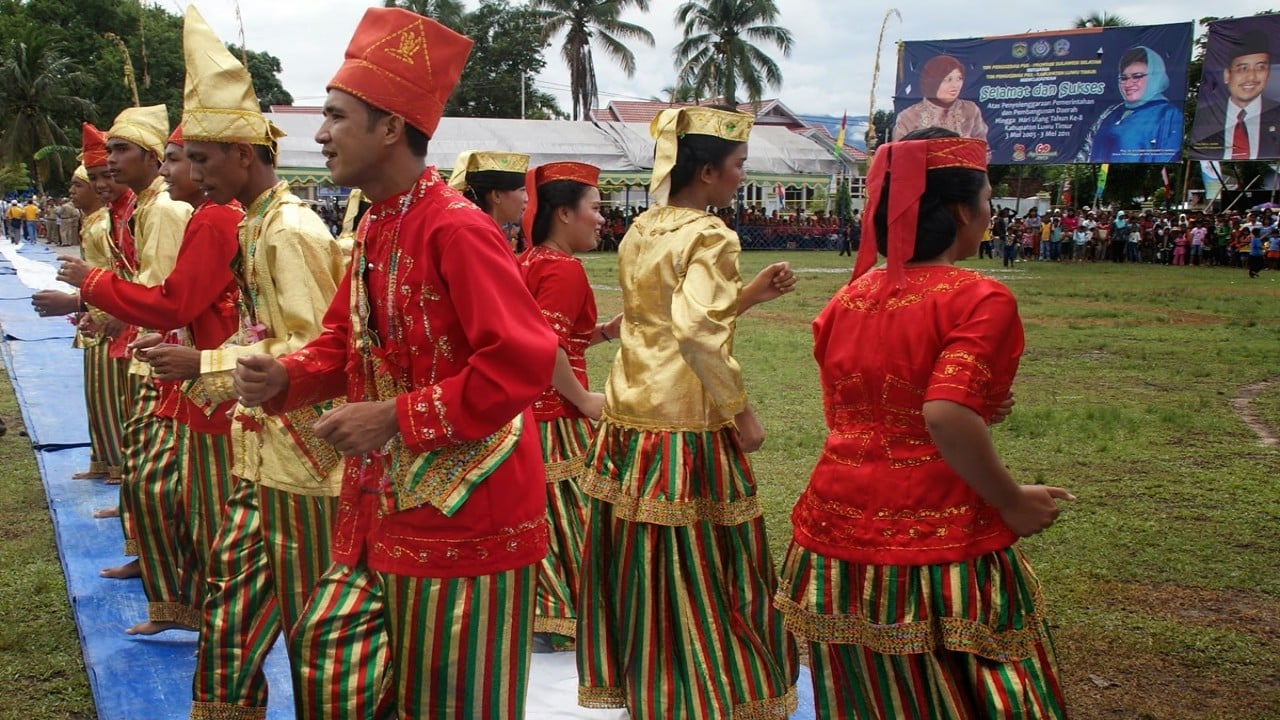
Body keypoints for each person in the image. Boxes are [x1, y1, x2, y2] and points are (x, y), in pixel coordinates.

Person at [233, 9, 559, 718]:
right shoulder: (377, 222)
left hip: (468, 509)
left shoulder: (456, 227)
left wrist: (395, 417)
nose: (318, 134)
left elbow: (524, 359)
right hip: (382, 502)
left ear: (389, 129)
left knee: (451, 701)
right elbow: (344, 342)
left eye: (335, 116)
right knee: (328, 650)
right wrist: (289, 377)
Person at [775, 127, 1071, 720]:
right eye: (987, 200)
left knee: (871, 693)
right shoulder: (979, 296)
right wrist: (1011, 499)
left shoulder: (848, 298)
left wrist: (972, 408)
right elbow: (943, 411)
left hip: (840, 523)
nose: (990, 214)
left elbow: (878, 400)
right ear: (962, 210)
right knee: (989, 687)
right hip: (940, 532)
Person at [575, 105, 799, 720]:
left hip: (628, 415)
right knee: (705, 565)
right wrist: (741, 412)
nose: (739, 178)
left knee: (639, 561)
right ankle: (702, 691)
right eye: (737, 167)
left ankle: (649, 684)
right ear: (706, 171)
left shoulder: (642, 228)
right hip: (684, 425)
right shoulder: (709, 234)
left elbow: (666, 322)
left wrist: (748, 295)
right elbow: (698, 335)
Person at [172, 8, 347, 718]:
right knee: (227, 617)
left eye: (202, 159)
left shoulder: (290, 230)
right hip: (262, 456)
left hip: (308, 468)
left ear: (245, 155)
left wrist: (205, 365)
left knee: (315, 634)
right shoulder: (256, 224)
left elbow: (314, 356)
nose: (190, 174)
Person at [57, 123, 244, 641]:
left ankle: (211, 614)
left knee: (190, 498)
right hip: (193, 368)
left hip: (213, 381)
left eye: (186, 159)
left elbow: (172, 298)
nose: (169, 171)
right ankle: (186, 604)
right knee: (167, 488)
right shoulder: (197, 214)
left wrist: (90, 290)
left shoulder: (198, 216)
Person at [517, 161, 619, 652]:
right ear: (563, 212)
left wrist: (602, 333)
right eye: (595, 209)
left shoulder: (529, 261)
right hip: (558, 418)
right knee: (575, 517)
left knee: (543, 515)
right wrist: (584, 399)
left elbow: (558, 341)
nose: (603, 219)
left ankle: (539, 617)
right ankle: (565, 620)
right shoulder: (564, 268)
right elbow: (547, 347)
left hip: (524, 414)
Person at [1080, 47, 1183, 163]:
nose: (1128, 84)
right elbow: (1085, 151)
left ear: (1155, 77)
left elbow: (1168, 157)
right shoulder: (1110, 112)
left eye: (1137, 76)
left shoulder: (1168, 114)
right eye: (1124, 78)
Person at [1191, 30, 1280, 160]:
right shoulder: (1206, 118)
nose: (1251, 77)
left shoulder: (1277, 114)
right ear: (1227, 75)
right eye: (1243, 68)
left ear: (1268, 73)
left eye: (1260, 67)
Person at [893, 54, 988, 142]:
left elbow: (983, 149)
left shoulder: (970, 110)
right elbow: (900, 153)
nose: (955, 85)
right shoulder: (908, 116)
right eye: (948, 80)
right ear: (932, 82)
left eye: (959, 78)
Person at [449, 150, 529, 248]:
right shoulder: (478, 242)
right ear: (496, 196)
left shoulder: (492, 238)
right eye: (522, 190)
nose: (526, 199)